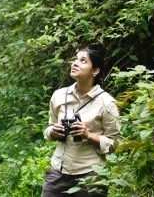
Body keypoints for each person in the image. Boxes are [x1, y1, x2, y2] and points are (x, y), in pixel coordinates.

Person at [41, 47, 121, 197]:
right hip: (58, 171)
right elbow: (49, 128)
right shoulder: (59, 95)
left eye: (83, 61)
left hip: (90, 174)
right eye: (75, 59)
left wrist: (89, 135)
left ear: (95, 71)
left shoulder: (107, 103)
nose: (75, 64)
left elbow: (116, 142)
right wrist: (53, 132)